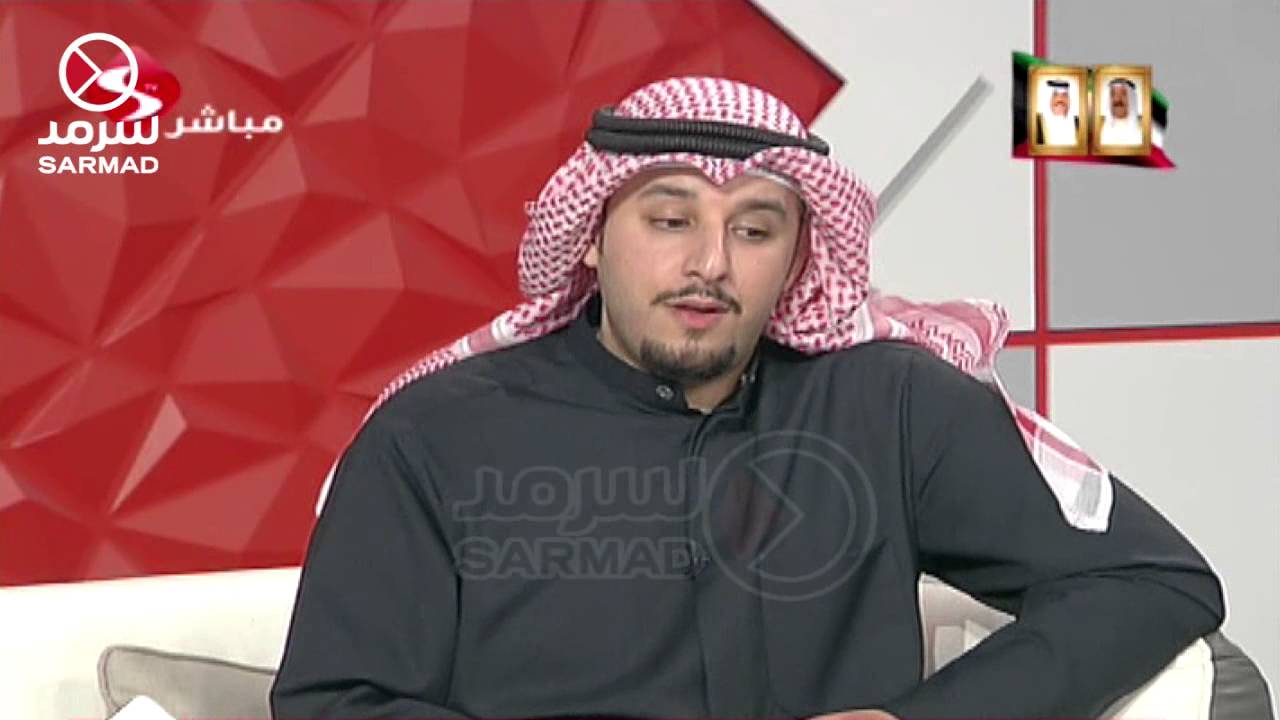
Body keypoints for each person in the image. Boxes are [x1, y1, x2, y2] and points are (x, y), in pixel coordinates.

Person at [270, 76, 1224, 720]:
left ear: (799, 256)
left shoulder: (889, 404)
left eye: (756, 230)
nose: (711, 264)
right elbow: (336, 701)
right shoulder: (438, 435)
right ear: (593, 234)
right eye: (670, 219)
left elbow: (1153, 582)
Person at [1100, 77, 1144, 146]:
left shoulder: (1143, 131)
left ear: (1131, 99)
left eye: (1123, 94)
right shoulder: (1101, 131)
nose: (1117, 99)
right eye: (1113, 94)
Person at [1035, 78, 1079, 146]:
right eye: (1055, 94)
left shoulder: (1078, 123)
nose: (1060, 99)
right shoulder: (1037, 126)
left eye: (1065, 95)